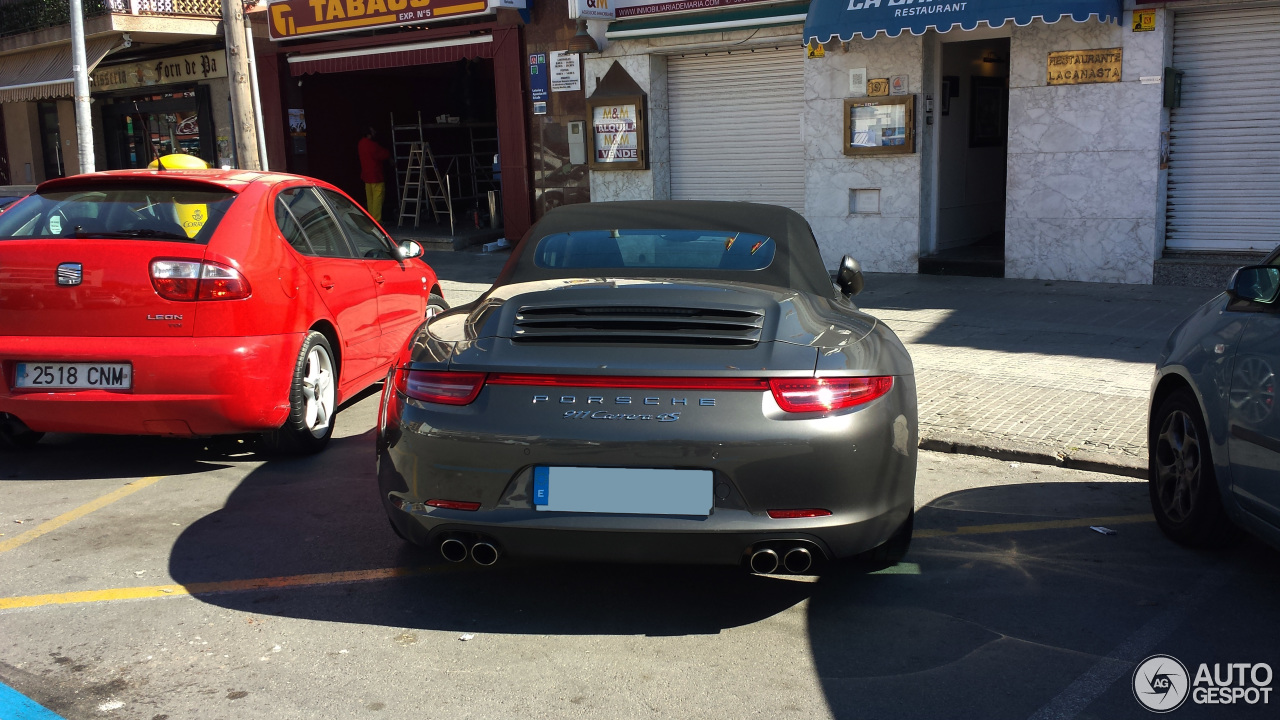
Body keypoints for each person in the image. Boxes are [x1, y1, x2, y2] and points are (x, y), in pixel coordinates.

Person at [357, 127, 391, 222]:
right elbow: (384, 154)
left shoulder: (361, 143)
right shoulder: (372, 145)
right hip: (376, 176)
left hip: (366, 176)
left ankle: (371, 220)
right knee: (377, 200)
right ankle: (377, 221)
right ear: (369, 134)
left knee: (370, 200)